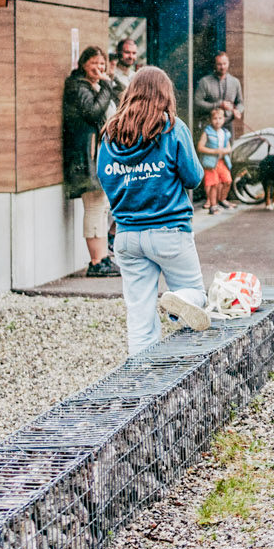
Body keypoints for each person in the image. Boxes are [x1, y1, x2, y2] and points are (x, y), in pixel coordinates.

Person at [95, 66, 211, 353]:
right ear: (165, 95)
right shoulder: (172, 128)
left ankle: (140, 376)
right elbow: (194, 178)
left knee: (139, 317)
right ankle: (181, 300)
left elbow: (105, 177)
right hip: (169, 230)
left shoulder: (110, 133)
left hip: (127, 236)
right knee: (196, 294)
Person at [63, 46, 122, 278]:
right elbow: (93, 112)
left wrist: (109, 83)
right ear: (83, 64)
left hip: (98, 154)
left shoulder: (96, 85)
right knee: (95, 206)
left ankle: (103, 258)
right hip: (86, 156)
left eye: (102, 63)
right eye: (94, 63)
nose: (99, 68)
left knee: (102, 206)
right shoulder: (78, 86)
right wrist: (106, 86)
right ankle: (97, 262)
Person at [197, 105, 234, 215]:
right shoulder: (207, 132)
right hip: (210, 162)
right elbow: (200, 147)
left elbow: (229, 147)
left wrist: (225, 150)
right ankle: (213, 206)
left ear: (224, 119)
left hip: (221, 161)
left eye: (220, 118)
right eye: (215, 118)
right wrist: (214, 151)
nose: (218, 121)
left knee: (227, 180)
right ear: (210, 120)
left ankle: (222, 200)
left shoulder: (225, 133)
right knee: (213, 184)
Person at [195, 51, 245, 129]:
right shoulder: (205, 81)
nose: (222, 67)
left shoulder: (235, 82)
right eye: (219, 64)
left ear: (228, 63)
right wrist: (218, 105)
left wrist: (238, 110)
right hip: (209, 124)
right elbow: (197, 102)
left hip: (228, 124)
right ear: (214, 65)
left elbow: (240, 103)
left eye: (225, 64)